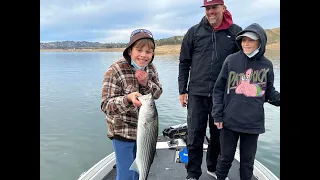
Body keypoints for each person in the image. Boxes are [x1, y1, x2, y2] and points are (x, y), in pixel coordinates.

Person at [178, 0, 242, 179]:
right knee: (194, 135)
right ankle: (193, 174)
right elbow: (184, 62)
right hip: (196, 94)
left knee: (218, 136)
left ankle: (212, 167)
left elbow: (244, 64)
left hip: (222, 96)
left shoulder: (236, 32)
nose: (211, 11)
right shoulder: (194, 32)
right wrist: (182, 90)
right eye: (208, 8)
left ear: (223, 8)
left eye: (214, 7)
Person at [211, 23, 280, 180]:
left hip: (253, 124)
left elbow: (270, 94)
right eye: (243, 40)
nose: (246, 44)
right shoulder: (231, 60)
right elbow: (219, 89)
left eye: (251, 40)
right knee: (225, 158)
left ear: (260, 42)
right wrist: (218, 115)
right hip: (230, 121)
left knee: (247, 163)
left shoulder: (267, 65)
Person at [100, 29, 163, 180]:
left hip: (146, 132)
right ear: (130, 50)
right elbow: (106, 105)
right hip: (123, 131)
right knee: (127, 175)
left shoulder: (151, 69)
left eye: (148, 51)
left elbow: (157, 93)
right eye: (139, 50)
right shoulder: (115, 70)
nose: (143, 55)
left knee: (141, 171)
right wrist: (127, 99)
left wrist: (146, 83)